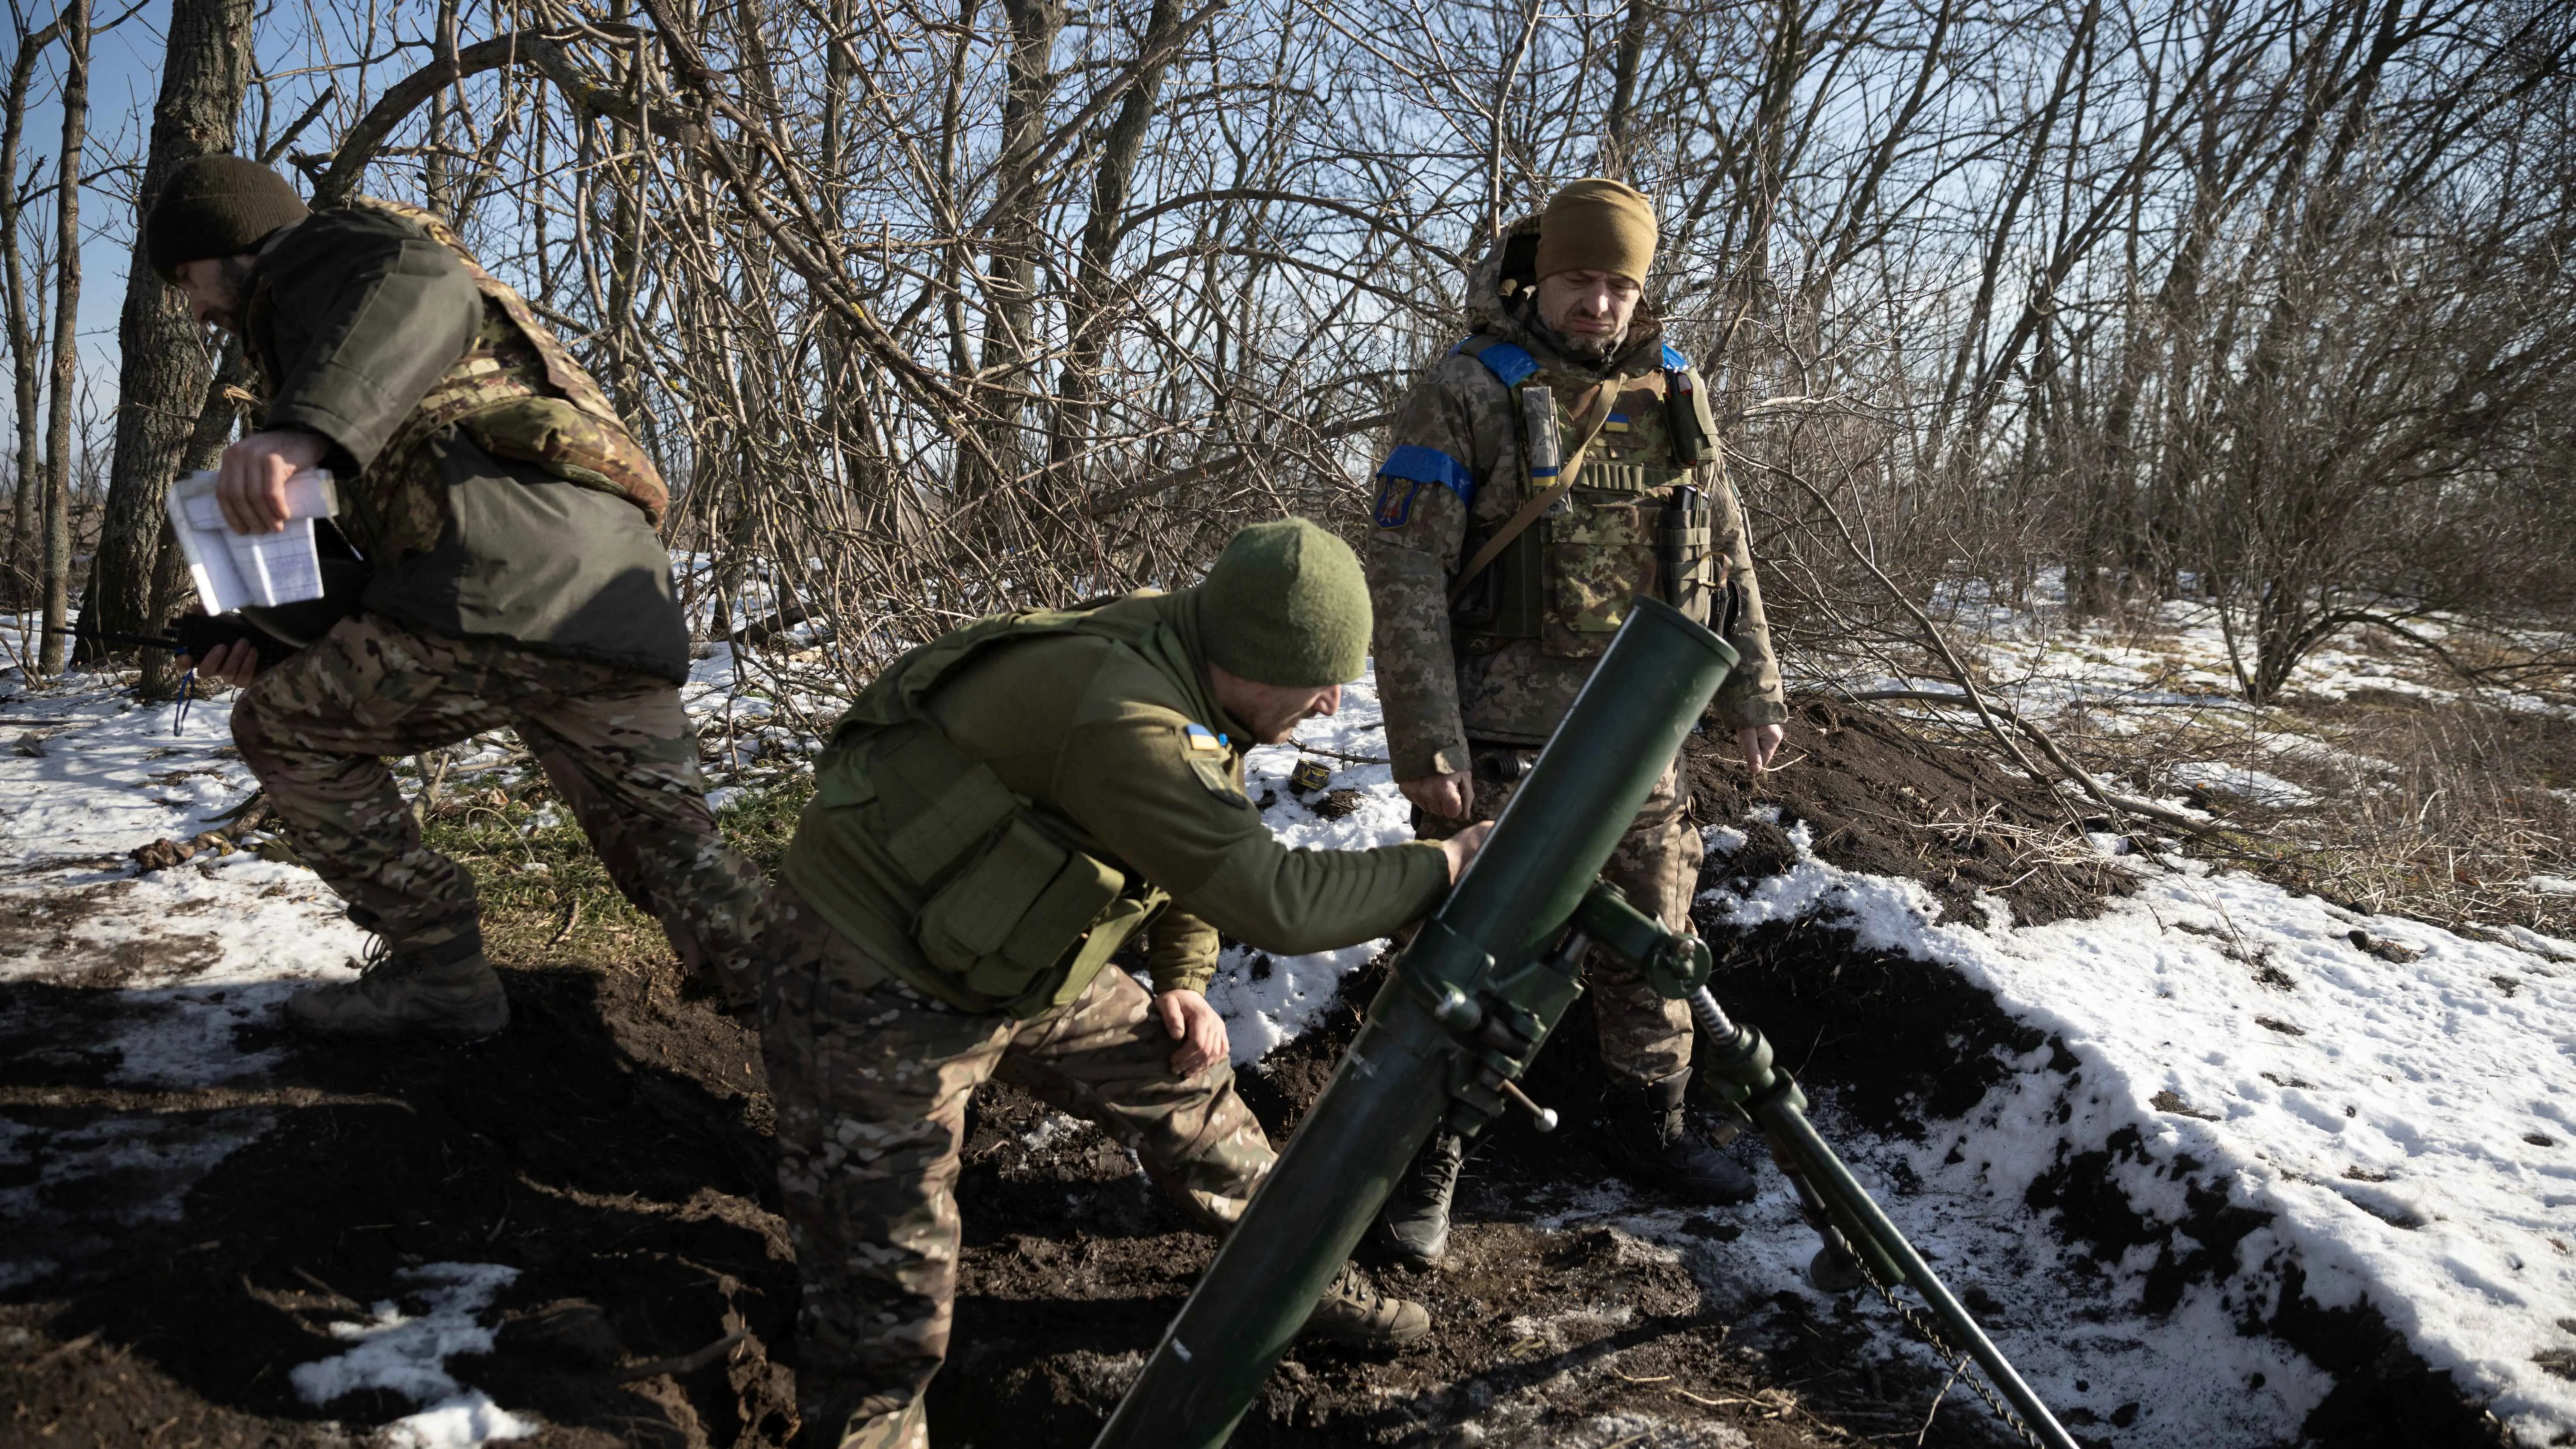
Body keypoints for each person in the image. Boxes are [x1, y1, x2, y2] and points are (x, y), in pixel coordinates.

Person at [760, 519, 1492, 1448]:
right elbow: (1276, 897)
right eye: (1318, 683)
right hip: (871, 978)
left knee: (1187, 1087)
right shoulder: (1124, 710)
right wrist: (1445, 867)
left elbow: (1194, 826)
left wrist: (1184, 977)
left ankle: (1293, 1276)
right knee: (886, 1309)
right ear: (1255, 659)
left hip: (1013, 947)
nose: (1332, 702)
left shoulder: (1192, 654)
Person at [145, 153, 766, 1037]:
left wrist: (297, 433)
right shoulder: (359, 343)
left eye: (188, 279)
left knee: (280, 729)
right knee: (677, 852)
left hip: (496, 595)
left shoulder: (326, 253)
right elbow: (393, 565)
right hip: (611, 606)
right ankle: (847, 1033)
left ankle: (442, 974)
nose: (197, 309)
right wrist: (269, 641)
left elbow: (420, 277)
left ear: (233, 242)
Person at [1360, 177, 1792, 1266]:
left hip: (1645, 736)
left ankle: (1649, 1128)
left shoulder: (1676, 386)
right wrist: (1429, 743)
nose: (1597, 303)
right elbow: (1406, 574)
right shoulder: (1465, 390)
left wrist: (1754, 690)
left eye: (1618, 284)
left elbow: (1723, 546)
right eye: (1577, 280)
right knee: (1472, 961)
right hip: (1505, 747)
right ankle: (1419, 1167)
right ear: (1537, 276)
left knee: (1656, 944)